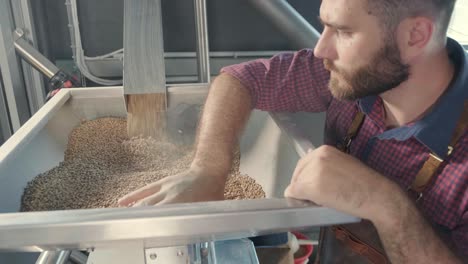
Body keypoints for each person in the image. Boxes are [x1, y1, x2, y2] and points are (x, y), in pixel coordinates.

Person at [119, 0, 467, 262]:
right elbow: (242, 79)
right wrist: (208, 169)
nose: (321, 49)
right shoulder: (348, 75)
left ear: (415, 35)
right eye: (325, 27)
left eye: (344, 32)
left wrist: (386, 203)